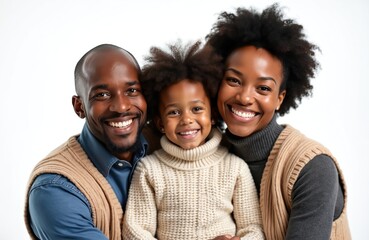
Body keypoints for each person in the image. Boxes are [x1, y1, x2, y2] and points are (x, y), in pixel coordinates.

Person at [205, 4, 351, 240]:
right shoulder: (208, 149)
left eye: (263, 88)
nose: (244, 97)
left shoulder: (312, 167)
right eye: (233, 80)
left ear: (279, 99)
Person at [122, 41, 265, 240]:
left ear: (213, 115)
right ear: (160, 123)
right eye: (174, 112)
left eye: (197, 109)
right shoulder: (149, 170)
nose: (186, 119)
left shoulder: (234, 168)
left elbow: (253, 228)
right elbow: (135, 231)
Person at [24, 44, 148, 240]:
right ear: (79, 106)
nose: (121, 106)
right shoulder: (54, 190)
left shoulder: (168, 142)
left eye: (132, 90)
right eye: (102, 95)